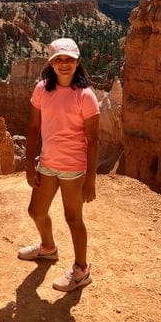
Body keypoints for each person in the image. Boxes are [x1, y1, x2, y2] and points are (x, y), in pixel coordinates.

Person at [18, 37, 100, 292]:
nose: (65, 64)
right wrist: (30, 165)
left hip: (74, 167)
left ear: (78, 62)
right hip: (47, 163)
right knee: (36, 211)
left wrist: (90, 180)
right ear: (51, 63)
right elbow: (33, 128)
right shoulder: (42, 89)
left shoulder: (85, 96)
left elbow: (94, 140)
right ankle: (48, 248)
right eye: (59, 60)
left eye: (70, 59)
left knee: (73, 217)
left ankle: (81, 270)